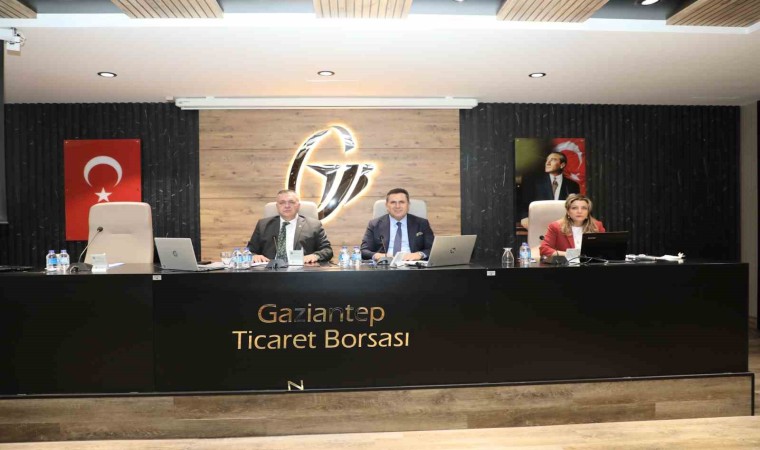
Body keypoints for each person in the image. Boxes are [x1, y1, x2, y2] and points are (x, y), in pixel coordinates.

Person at [247, 190, 333, 264]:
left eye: (291, 202)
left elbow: (327, 250)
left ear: (298, 205)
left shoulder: (314, 225)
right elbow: (249, 250)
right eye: (282, 203)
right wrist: (254, 256)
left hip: (302, 271)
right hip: (270, 272)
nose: (287, 206)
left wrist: (315, 256)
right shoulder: (263, 225)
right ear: (277, 206)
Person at [361, 188, 434, 262]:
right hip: (385, 264)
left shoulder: (422, 223)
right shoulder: (374, 224)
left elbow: (432, 249)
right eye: (393, 202)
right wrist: (378, 255)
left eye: (401, 202)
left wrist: (420, 254)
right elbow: (364, 251)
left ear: (408, 205)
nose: (397, 206)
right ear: (387, 205)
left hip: (413, 265)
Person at [520, 152, 581, 225]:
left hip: (563, 225)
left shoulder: (572, 185)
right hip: (539, 223)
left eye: (553, 160)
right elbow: (524, 205)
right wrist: (525, 218)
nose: (547, 163)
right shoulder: (534, 183)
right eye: (547, 160)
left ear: (562, 165)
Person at [539, 194, 605, 259]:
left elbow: (605, 248)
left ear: (588, 212)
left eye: (584, 208)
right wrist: (570, 254)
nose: (579, 211)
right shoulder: (556, 227)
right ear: (568, 211)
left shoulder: (597, 226)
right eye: (574, 208)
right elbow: (544, 249)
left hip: (591, 264)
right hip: (566, 264)